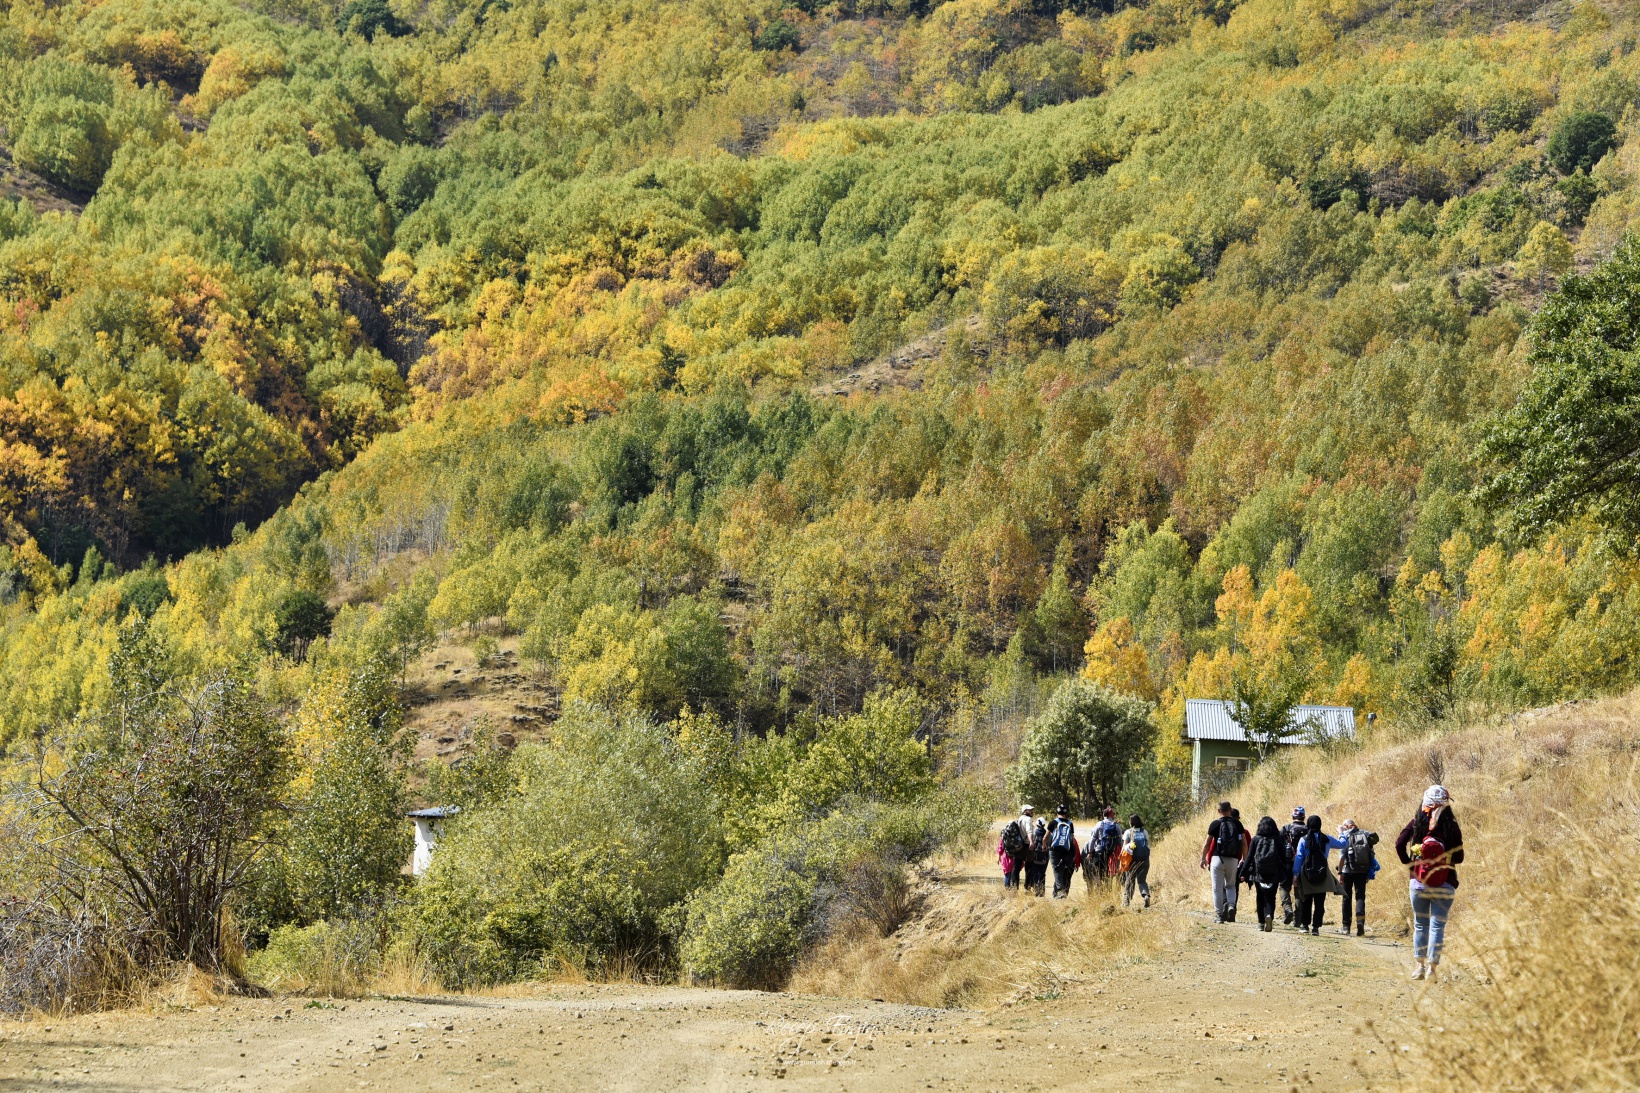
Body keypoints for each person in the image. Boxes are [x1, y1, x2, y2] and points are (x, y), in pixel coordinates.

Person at [1395, 784, 1463, 981]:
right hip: (1446, 881)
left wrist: (1411, 865)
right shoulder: (1451, 825)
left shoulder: (1417, 822)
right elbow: (1459, 857)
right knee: (1437, 926)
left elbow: (1399, 844)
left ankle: (1419, 966)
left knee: (1421, 924)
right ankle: (1433, 970)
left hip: (1419, 882)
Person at [1292, 814, 1344, 936]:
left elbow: (1299, 858)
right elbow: (1343, 844)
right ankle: (1316, 928)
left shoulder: (1303, 839)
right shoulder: (1327, 839)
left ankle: (1305, 926)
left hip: (1306, 874)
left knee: (1306, 901)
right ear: (1320, 825)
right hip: (1322, 873)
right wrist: (1341, 832)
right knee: (1320, 902)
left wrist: (1295, 874)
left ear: (1308, 825)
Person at [1199, 801, 1249, 923]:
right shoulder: (1238, 824)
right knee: (1231, 885)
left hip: (1217, 859)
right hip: (1233, 859)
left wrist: (1203, 858)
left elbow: (1207, 844)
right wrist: (1244, 859)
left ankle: (1220, 915)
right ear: (1230, 810)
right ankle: (1231, 905)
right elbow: (1244, 844)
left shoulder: (1215, 824)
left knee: (1217, 888)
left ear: (1218, 810)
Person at [1335, 818, 1381, 936]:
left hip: (1347, 871)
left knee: (1346, 898)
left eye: (1344, 826)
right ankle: (1360, 922)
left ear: (1348, 826)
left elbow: (1341, 858)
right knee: (1360, 896)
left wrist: (1340, 873)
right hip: (1362, 871)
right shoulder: (1365, 834)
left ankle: (1346, 927)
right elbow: (1371, 853)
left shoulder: (1344, 835)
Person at [1241, 816, 1287, 931]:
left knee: (1260, 897)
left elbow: (1249, 857)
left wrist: (1243, 872)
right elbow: (1283, 858)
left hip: (1258, 873)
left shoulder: (1256, 839)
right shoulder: (1277, 839)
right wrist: (1287, 872)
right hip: (1274, 873)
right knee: (1271, 897)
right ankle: (1269, 915)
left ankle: (1261, 923)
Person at [1280, 807, 1308, 927]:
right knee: (1299, 891)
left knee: (1283, 887)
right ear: (1303, 817)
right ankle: (1298, 919)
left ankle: (1288, 909)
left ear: (1293, 817)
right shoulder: (1308, 829)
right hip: (1303, 864)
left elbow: (1278, 844)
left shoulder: (1286, 828)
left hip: (1287, 863)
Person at [1084, 807, 1123, 892]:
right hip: (1112, 854)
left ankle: (1098, 892)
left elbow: (1092, 839)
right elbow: (1120, 842)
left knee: (1098, 874)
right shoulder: (1117, 826)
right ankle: (1107, 892)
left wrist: (1090, 853)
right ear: (1111, 815)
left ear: (1103, 815)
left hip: (1099, 853)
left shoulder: (1099, 824)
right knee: (1108, 875)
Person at [1000, 805, 1034, 890]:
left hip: (1018, 846)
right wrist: (1032, 842)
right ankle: (1027, 886)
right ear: (1025, 811)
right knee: (1029, 867)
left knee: (1016, 867)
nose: (1032, 811)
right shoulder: (1028, 819)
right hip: (1027, 845)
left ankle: (1014, 887)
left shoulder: (1019, 819)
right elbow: (1029, 831)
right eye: (1030, 810)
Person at [1121, 814, 1151, 908]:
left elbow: (1124, 848)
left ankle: (1126, 902)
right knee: (1142, 880)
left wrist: (1121, 858)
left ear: (1131, 822)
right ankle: (1146, 895)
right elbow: (1148, 845)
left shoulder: (1128, 832)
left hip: (1131, 861)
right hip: (1144, 860)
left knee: (1129, 880)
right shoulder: (1144, 832)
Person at [1048, 804, 1078, 898]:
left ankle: (1060, 891)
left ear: (1057, 812)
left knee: (1056, 870)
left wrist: (1045, 845)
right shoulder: (1070, 823)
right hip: (1066, 850)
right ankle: (1056, 893)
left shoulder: (1053, 822)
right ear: (1066, 813)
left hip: (1054, 850)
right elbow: (1072, 838)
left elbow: (1046, 836)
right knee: (1060, 871)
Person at [1024, 813, 1050, 897]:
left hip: (1035, 857)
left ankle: (1036, 889)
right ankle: (1042, 892)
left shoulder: (1034, 833)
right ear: (1044, 824)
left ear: (1037, 824)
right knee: (1042, 874)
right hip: (1044, 859)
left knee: (1035, 874)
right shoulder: (1047, 834)